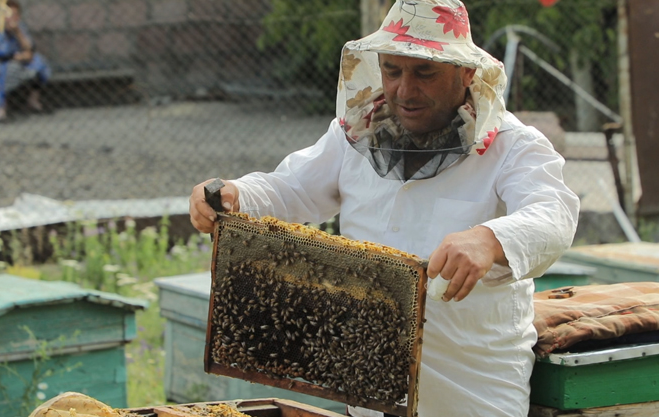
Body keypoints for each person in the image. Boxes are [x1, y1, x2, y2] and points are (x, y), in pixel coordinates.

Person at [189, 0, 580, 415]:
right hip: (369, 378)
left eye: (424, 72)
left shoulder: (513, 146)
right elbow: (290, 189)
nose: (404, 90)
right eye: (392, 70)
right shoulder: (355, 134)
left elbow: (554, 215)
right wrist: (233, 194)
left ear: (466, 73)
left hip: (473, 384)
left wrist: (491, 239)